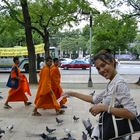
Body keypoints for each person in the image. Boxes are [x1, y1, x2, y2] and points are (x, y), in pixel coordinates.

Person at [64, 51, 138, 140]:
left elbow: (132, 113)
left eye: (103, 65)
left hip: (117, 134)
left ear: (112, 61)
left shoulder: (119, 84)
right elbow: (94, 99)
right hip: (112, 133)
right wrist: (72, 93)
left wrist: (104, 108)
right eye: (98, 68)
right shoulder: (112, 83)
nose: (101, 70)